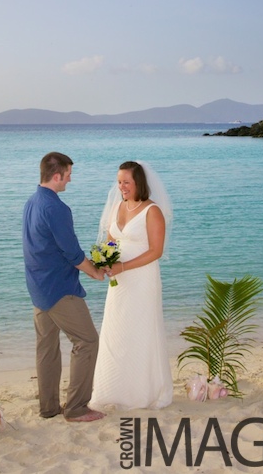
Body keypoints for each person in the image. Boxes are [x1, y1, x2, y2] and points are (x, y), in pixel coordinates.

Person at [22, 152, 106, 423]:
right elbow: (71, 252)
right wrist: (94, 271)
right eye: (68, 174)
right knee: (87, 341)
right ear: (56, 176)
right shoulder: (56, 208)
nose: (71, 178)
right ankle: (76, 408)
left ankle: (48, 408)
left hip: (38, 286)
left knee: (46, 347)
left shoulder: (32, 202)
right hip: (59, 290)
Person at [90, 160, 173, 410]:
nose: (121, 187)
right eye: (119, 182)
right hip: (119, 280)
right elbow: (111, 242)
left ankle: (142, 393)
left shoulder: (152, 211)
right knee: (116, 331)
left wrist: (124, 267)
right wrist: (102, 261)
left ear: (139, 183)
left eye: (126, 182)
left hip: (142, 280)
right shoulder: (117, 206)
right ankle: (112, 389)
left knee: (141, 331)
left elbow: (156, 251)